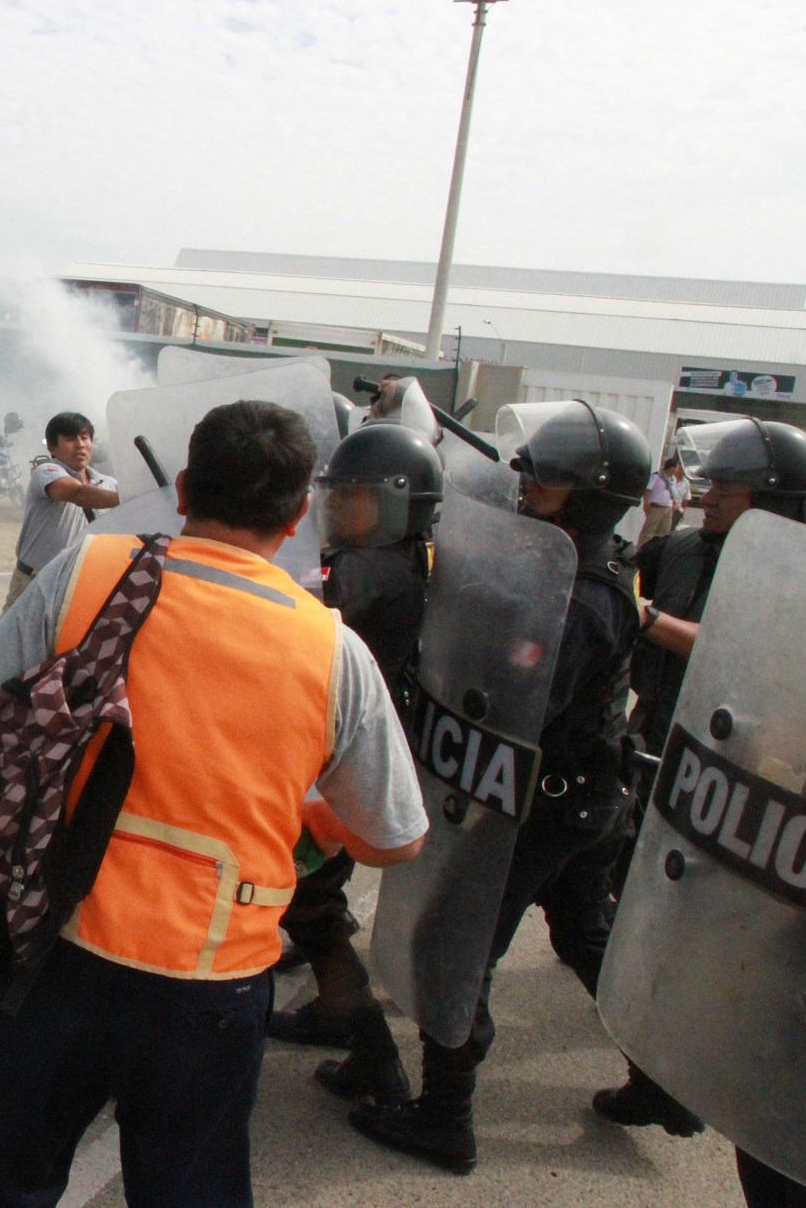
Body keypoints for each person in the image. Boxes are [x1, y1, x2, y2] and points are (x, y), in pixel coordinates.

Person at [0, 401, 429, 1207]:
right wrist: (316, 822)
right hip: (213, 978)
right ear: (298, 515)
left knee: (2, 1182)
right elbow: (394, 837)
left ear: (182, 489)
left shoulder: (90, 572)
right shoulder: (332, 648)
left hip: (62, 943)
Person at [351, 401, 651, 1174]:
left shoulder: (581, 598)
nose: (529, 477)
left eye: (552, 473)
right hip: (585, 799)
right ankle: (665, 1080)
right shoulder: (567, 563)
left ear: (593, 492)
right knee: (584, 934)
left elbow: (516, 707)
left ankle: (444, 1117)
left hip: (541, 805)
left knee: (457, 942)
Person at [591, 417, 806, 1137]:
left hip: (739, 766)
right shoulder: (685, 547)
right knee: (628, 883)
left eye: (729, 485)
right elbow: (620, 570)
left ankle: (679, 1065)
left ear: (773, 495)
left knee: (695, 916)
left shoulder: (803, 572)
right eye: (712, 481)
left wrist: (645, 617)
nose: (710, 494)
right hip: (659, 734)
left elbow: (734, 647)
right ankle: (655, 1059)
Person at [272, 421, 440, 1111]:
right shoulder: (407, 557)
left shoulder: (372, 568)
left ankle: (375, 1058)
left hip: (336, 757)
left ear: (399, 501)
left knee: (311, 904)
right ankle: (332, 1014)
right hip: (347, 745)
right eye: (335, 492)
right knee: (314, 899)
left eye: (356, 495)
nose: (337, 505)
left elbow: (297, 602)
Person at [3, 411, 119, 611]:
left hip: (80, 585)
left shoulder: (109, 484)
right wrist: (130, 497)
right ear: (52, 447)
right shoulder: (46, 472)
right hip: (35, 582)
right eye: (70, 438)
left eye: (84, 437)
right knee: (17, 633)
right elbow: (78, 494)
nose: (80, 444)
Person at [637, 456, 685, 545]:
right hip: (656, 507)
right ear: (672, 467)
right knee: (648, 531)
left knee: (664, 532)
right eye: (677, 467)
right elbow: (647, 490)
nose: (677, 470)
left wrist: (674, 504)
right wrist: (646, 503)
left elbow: (672, 493)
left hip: (668, 508)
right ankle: (642, 548)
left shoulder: (673, 479)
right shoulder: (656, 476)